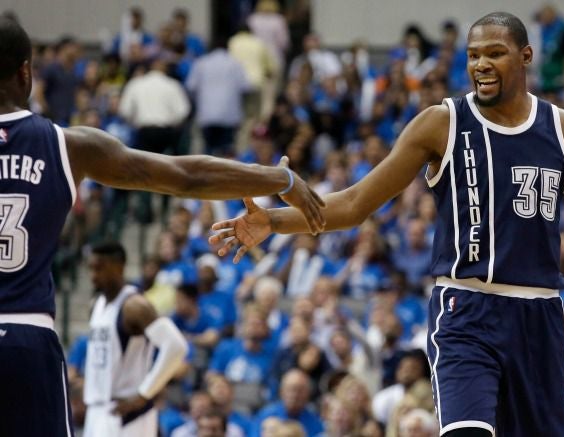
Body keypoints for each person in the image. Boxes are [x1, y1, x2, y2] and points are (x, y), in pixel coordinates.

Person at [210, 12, 564, 436]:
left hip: (539, 317)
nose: (481, 64)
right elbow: (355, 203)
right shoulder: (440, 122)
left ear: (526, 56)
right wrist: (273, 221)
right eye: (472, 55)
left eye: (495, 53)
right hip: (465, 312)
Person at [0, 17, 324, 437]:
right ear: (27, 71)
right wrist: (280, 180)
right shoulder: (67, 144)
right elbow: (185, 175)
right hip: (28, 337)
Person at [82, 242, 186, 436]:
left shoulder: (134, 306)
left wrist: (144, 394)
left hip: (126, 412)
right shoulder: (96, 304)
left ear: (119, 266)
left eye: (100, 268)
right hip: (97, 409)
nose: (93, 275)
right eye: (91, 268)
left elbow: (176, 346)